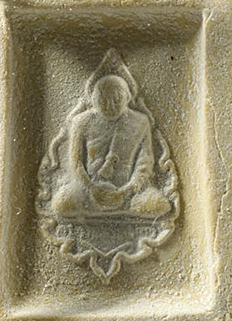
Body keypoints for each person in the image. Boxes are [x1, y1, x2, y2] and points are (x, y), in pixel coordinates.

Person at [51, 74, 171, 217]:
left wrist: (128, 189)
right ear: (94, 100)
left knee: (160, 205)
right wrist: (91, 187)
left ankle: (125, 207)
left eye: (117, 100)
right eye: (104, 100)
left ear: (127, 98)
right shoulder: (81, 122)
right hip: (88, 190)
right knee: (60, 205)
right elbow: (76, 163)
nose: (110, 106)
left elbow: (144, 162)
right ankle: (115, 212)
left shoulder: (140, 122)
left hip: (128, 192)